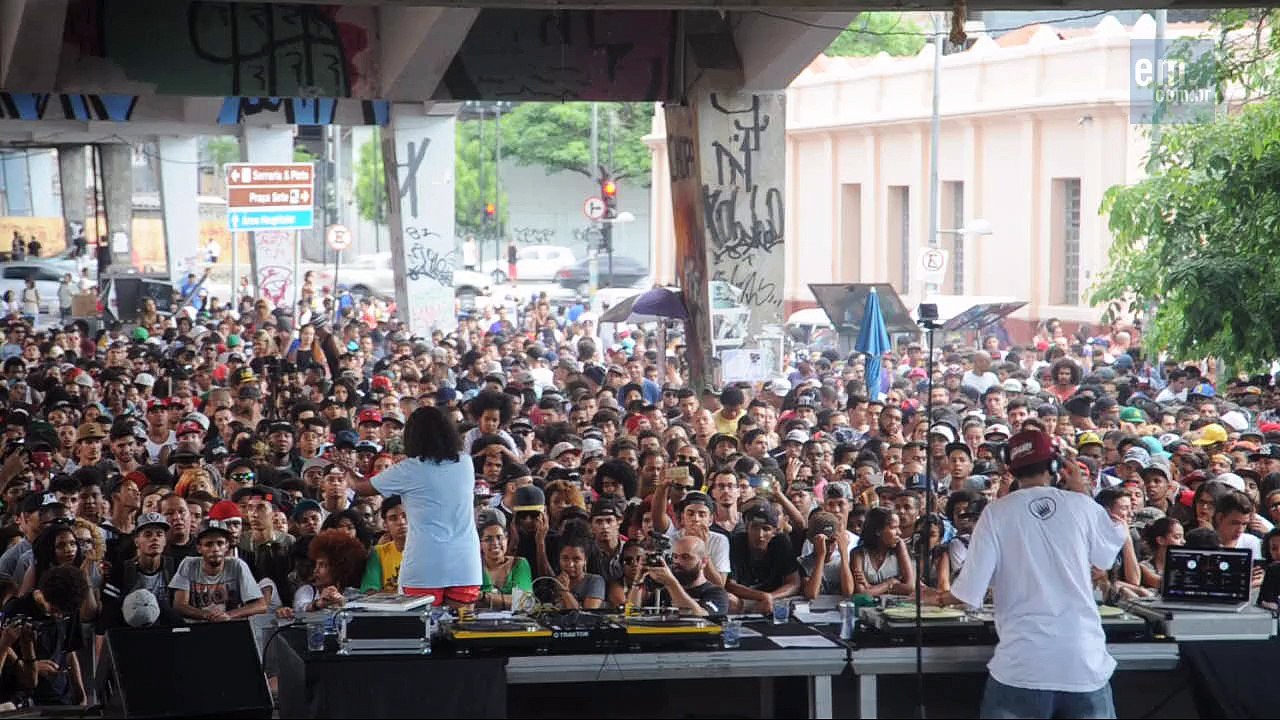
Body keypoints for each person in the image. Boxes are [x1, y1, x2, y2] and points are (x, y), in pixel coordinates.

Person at [924, 430, 1129, 719]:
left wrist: (933, 598)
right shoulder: (1081, 505)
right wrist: (1082, 490)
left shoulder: (996, 513)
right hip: (1083, 662)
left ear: (1010, 468)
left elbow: (968, 592)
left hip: (1022, 665)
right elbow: (1105, 556)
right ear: (1054, 466)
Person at [351, 406, 481, 608]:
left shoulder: (409, 469)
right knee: (460, 626)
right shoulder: (465, 463)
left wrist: (346, 470)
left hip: (424, 567)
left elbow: (361, 487)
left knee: (421, 626)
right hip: (465, 565)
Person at [169, 520, 266, 622]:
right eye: (208, 544)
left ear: (227, 546)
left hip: (231, 626)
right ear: (199, 548)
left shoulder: (237, 565)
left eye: (220, 543)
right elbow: (179, 605)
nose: (215, 549)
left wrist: (228, 615)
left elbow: (261, 605)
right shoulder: (188, 564)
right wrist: (207, 615)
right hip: (197, 628)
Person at [476, 512, 532, 610]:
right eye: (488, 539)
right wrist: (510, 600)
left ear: (507, 539)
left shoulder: (519, 564)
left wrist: (484, 597)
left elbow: (525, 603)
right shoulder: (474, 567)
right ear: (480, 543)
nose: (495, 543)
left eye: (500, 537)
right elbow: (468, 601)